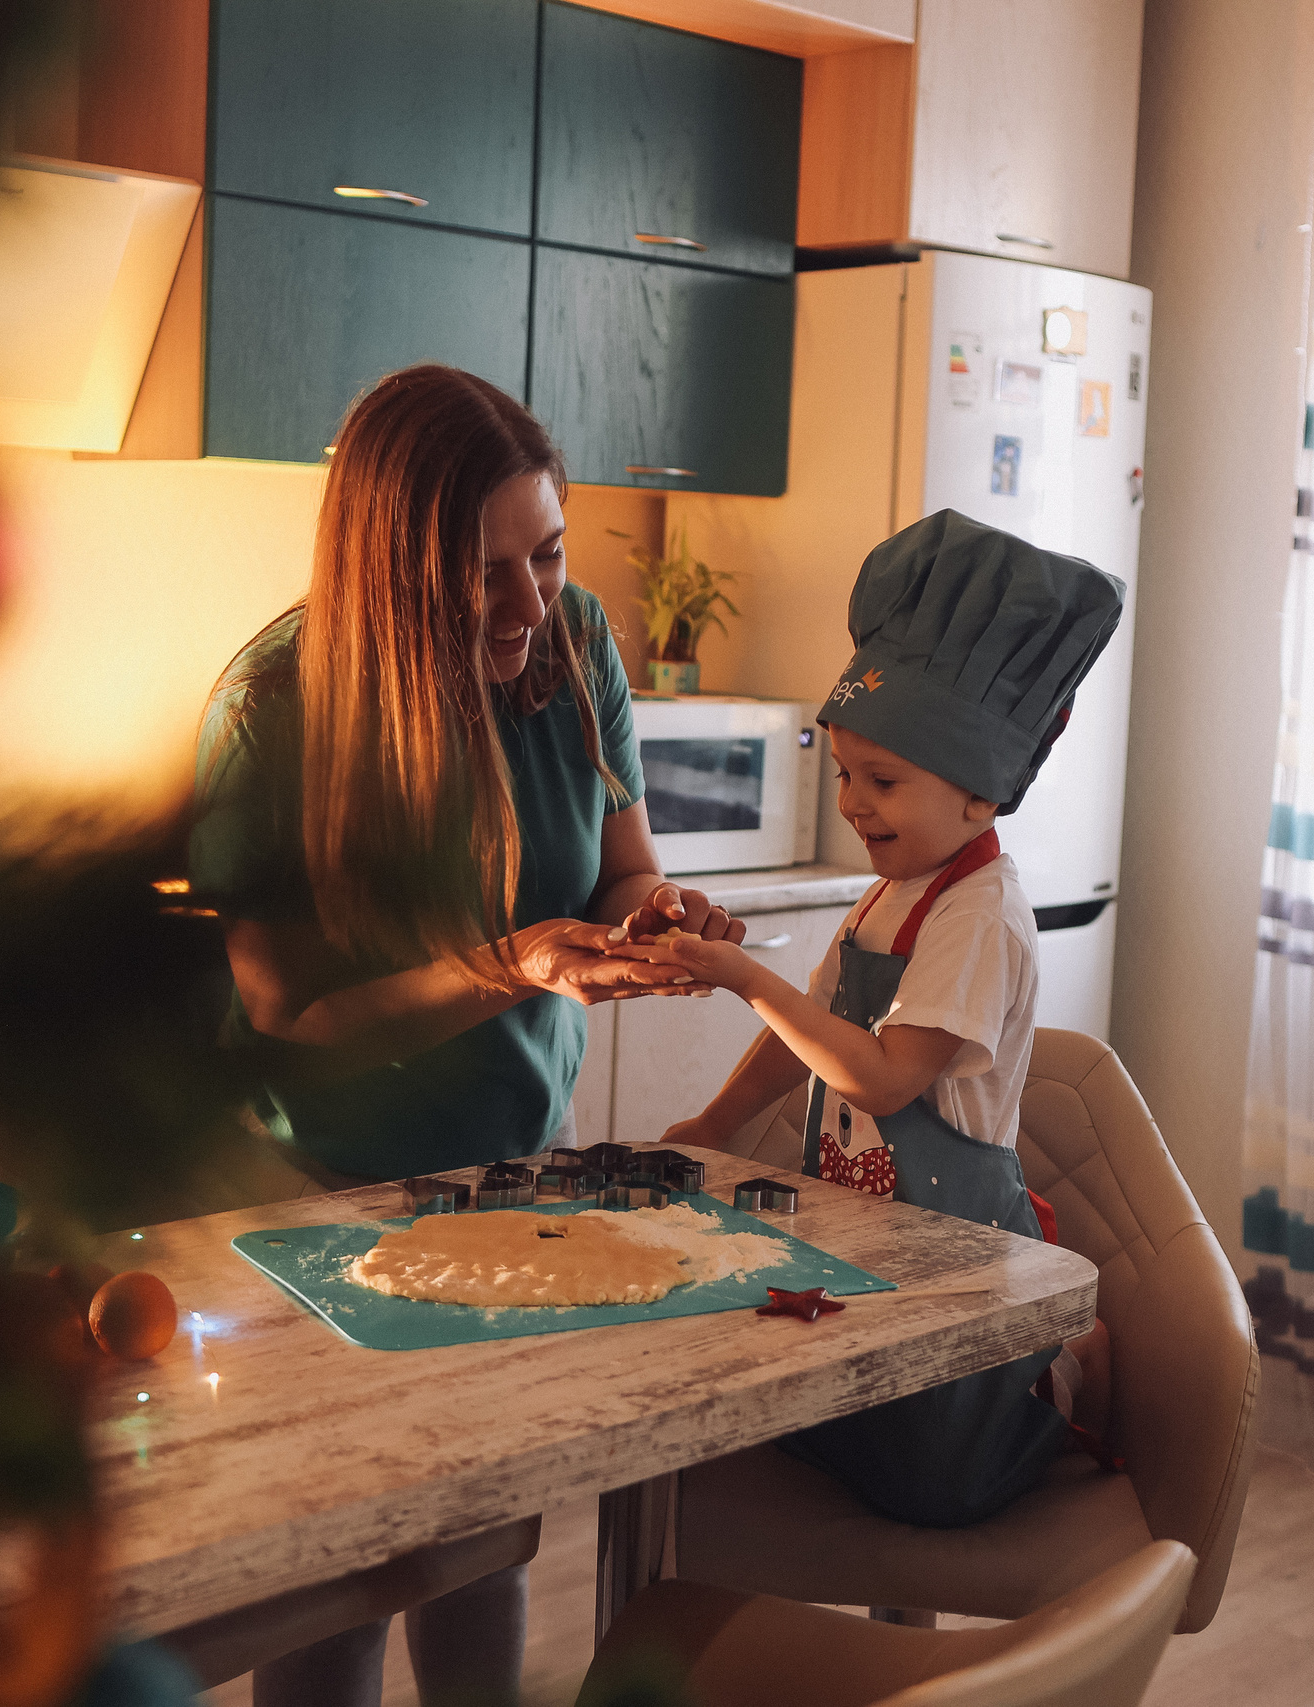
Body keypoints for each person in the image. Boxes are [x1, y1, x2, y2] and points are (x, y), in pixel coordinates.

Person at [187, 364, 742, 1705]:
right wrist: (509, 964)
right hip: (308, 1197)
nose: (525, 602)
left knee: (480, 1549)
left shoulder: (578, 641)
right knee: (329, 1597)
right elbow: (287, 1020)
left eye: (545, 553)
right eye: (481, 570)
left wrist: (651, 909)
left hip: (505, 1179)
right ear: (388, 565)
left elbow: (616, 873)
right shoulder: (273, 706)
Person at [619, 508, 1124, 1529]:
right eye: (843, 771)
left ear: (983, 794)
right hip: (865, 1221)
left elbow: (885, 1078)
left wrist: (740, 975)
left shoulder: (978, 914)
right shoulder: (891, 889)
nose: (852, 802)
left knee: (935, 1467)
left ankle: (1059, 1376)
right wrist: (715, 1123)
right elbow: (806, 1035)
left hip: (953, 1240)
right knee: (839, 1425)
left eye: (883, 780)